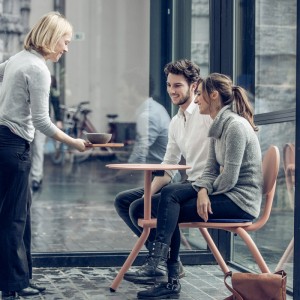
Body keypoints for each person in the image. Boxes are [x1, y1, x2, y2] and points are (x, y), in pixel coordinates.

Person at [137, 73, 263, 299]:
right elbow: (211, 170)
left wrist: (206, 191)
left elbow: (231, 177)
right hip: (225, 193)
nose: (196, 100)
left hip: (240, 201)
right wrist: (203, 189)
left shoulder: (234, 126)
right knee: (169, 197)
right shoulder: (218, 126)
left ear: (213, 96)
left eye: (200, 95)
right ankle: (165, 269)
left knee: (169, 206)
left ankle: (164, 271)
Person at [0, 11, 90, 299]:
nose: (66, 48)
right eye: (64, 41)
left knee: (20, 215)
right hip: (14, 146)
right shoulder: (38, 69)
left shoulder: (17, 59)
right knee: (14, 218)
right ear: (51, 39)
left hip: (7, 144)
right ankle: (14, 284)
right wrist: (73, 142)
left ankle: (21, 278)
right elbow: (42, 121)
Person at [114, 59, 212, 285]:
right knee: (128, 202)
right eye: (169, 85)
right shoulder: (176, 122)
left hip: (202, 186)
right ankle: (170, 262)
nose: (171, 91)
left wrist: (205, 187)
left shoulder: (206, 115)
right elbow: (167, 168)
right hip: (186, 186)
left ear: (194, 85)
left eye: (177, 85)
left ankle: (159, 263)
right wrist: (146, 194)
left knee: (159, 202)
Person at [31, 75, 63, 192]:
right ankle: (27, 177)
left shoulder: (50, 78)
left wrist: (59, 119)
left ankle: (36, 177)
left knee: (38, 148)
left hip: (42, 120)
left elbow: (55, 100)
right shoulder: (27, 75)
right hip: (26, 120)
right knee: (25, 149)